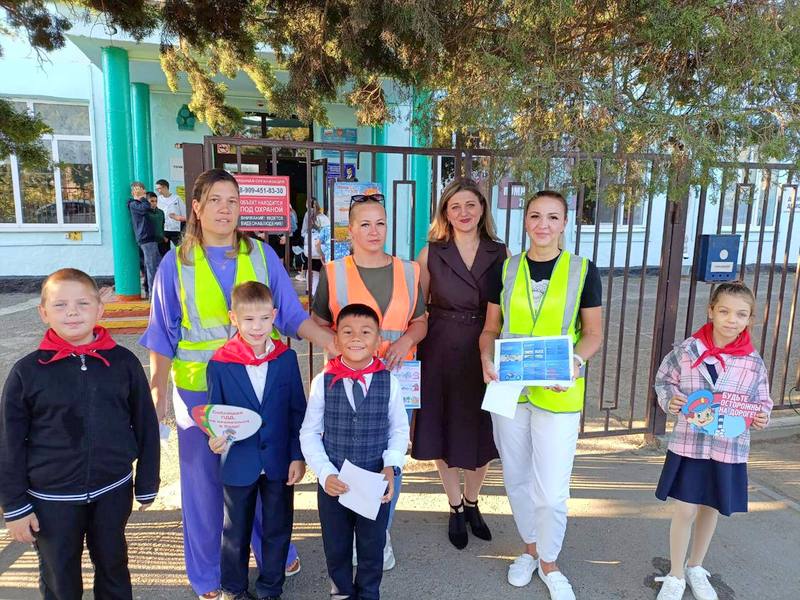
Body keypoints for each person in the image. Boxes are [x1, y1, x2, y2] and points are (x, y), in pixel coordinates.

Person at [140, 168, 335, 600]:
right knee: (205, 485)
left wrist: (331, 342)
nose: (224, 209)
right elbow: (162, 333)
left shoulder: (262, 255)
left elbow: (290, 314)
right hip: (202, 394)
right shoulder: (176, 263)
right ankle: (208, 573)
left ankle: (273, 556)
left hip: (259, 387)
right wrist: (158, 391)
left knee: (263, 471)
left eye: (232, 200)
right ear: (196, 207)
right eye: (215, 200)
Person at [0, 268, 160, 600]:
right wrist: (14, 505)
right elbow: (8, 443)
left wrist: (147, 481)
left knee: (113, 567)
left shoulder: (124, 363)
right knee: (60, 577)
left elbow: (145, 423)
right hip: (50, 499)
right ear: (43, 313)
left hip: (112, 490)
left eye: (83, 303)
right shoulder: (26, 373)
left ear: (100, 309)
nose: (72, 312)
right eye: (60, 305)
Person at [479, 190, 603, 600]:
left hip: (558, 391)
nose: (543, 225)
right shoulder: (506, 268)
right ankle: (530, 550)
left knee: (550, 492)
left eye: (552, 217)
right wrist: (485, 356)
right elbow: (491, 329)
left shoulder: (583, 270)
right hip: (510, 391)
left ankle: (550, 561)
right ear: (526, 221)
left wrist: (575, 362)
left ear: (564, 223)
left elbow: (593, 334)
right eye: (535, 216)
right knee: (516, 479)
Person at [311, 193, 427, 570]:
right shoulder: (334, 273)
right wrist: (338, 346)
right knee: (350, 452)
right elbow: (318, 323)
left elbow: (420, 321)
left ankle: (380, 533)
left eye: (380, 223)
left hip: (397, 377)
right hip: (348, 378)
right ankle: (352, 530)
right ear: (350, 230)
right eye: (365, 224)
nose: (374, 231)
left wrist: (406, 341)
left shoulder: (409, 271)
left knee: (390, 455)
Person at [652, 282, 771, 600]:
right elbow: (664, 380)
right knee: (685, 509)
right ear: (711, 311)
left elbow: (762, 401)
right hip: (690, 445)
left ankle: (695, 566)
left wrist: (762, 416)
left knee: (710, 507)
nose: (732, 320)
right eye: (724, 311)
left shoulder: (753, 362)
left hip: (727, 448)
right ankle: (676, 574)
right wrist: (671, 399)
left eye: (741, 314)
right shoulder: (687, 350)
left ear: (750, 319)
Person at [413, 178, 506, 549]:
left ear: (482, 208)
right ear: (445, 213)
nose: (464, 213)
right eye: (455, 206)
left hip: (485, 346)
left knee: (482, 430)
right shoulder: (431, 253)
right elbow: (417, 309)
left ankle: (472, 500)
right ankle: (454, 505)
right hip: (439, 347)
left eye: (470, 205)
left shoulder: (500, 252)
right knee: (443, 428)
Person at [300, 303, 409, 600]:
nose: (356, 338)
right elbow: (309, 432)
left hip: (375, 481)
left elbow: (399, 429)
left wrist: (391, 466)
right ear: (336, 340)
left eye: (365, 332)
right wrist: (325, 473)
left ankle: (369, 594)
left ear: (378, 341)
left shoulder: (389, 382)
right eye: (347, 332)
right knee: (336, 547)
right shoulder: (322, 381)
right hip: (334, 482)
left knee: (372, 547)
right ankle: (341, 593)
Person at [207, 282, 306, 600]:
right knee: (235, 530)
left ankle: (270, 588)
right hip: (239, 461)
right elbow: (215, 415)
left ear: (274, 316)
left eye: (264, 318)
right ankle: (233, 589)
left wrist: (297, 455)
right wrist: (215, 439)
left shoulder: (286, 359)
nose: (257, 327)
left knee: (278, 526)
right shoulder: (220, 364)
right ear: (233, 318)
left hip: (279, 460)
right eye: (248, 319)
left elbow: (297, 411)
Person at [128, 181, 160, 297]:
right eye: (139, 190)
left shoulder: (140, 203)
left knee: (153, 265)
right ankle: (152, 294)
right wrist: (142, 197)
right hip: (145, 238)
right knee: (151, 267)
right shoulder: (134, 204)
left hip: (150, 238)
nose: (142, 192)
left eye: (142, 189)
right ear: (134, 192)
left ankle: (151, 291)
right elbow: (145, 208)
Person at [296, 198, 330, 291]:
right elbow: (327, 232)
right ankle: (315, 291)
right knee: (319, 270)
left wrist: (307, 238)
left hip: (311, 247)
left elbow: (304, 231)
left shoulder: (308, 214)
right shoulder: (323, 217)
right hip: (321, 247)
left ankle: (309, 290)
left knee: (311, 269)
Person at [156, 179, 186, 248]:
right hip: (164, 230)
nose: (158, 191)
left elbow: (184, 213)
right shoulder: (158, 200)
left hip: (175, 229)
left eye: (159, 188)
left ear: (165, 187)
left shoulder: (176, 198)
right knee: (164, 250)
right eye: (157, 189)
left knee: (180, 249)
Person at [147, 191, 169, 257]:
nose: (154, 203)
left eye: (156, 201)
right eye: (152, 201)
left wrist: (163, 236)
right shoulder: (144, 213)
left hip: (161, 241)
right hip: (149, 242)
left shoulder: (161, 212)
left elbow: (162, 226)